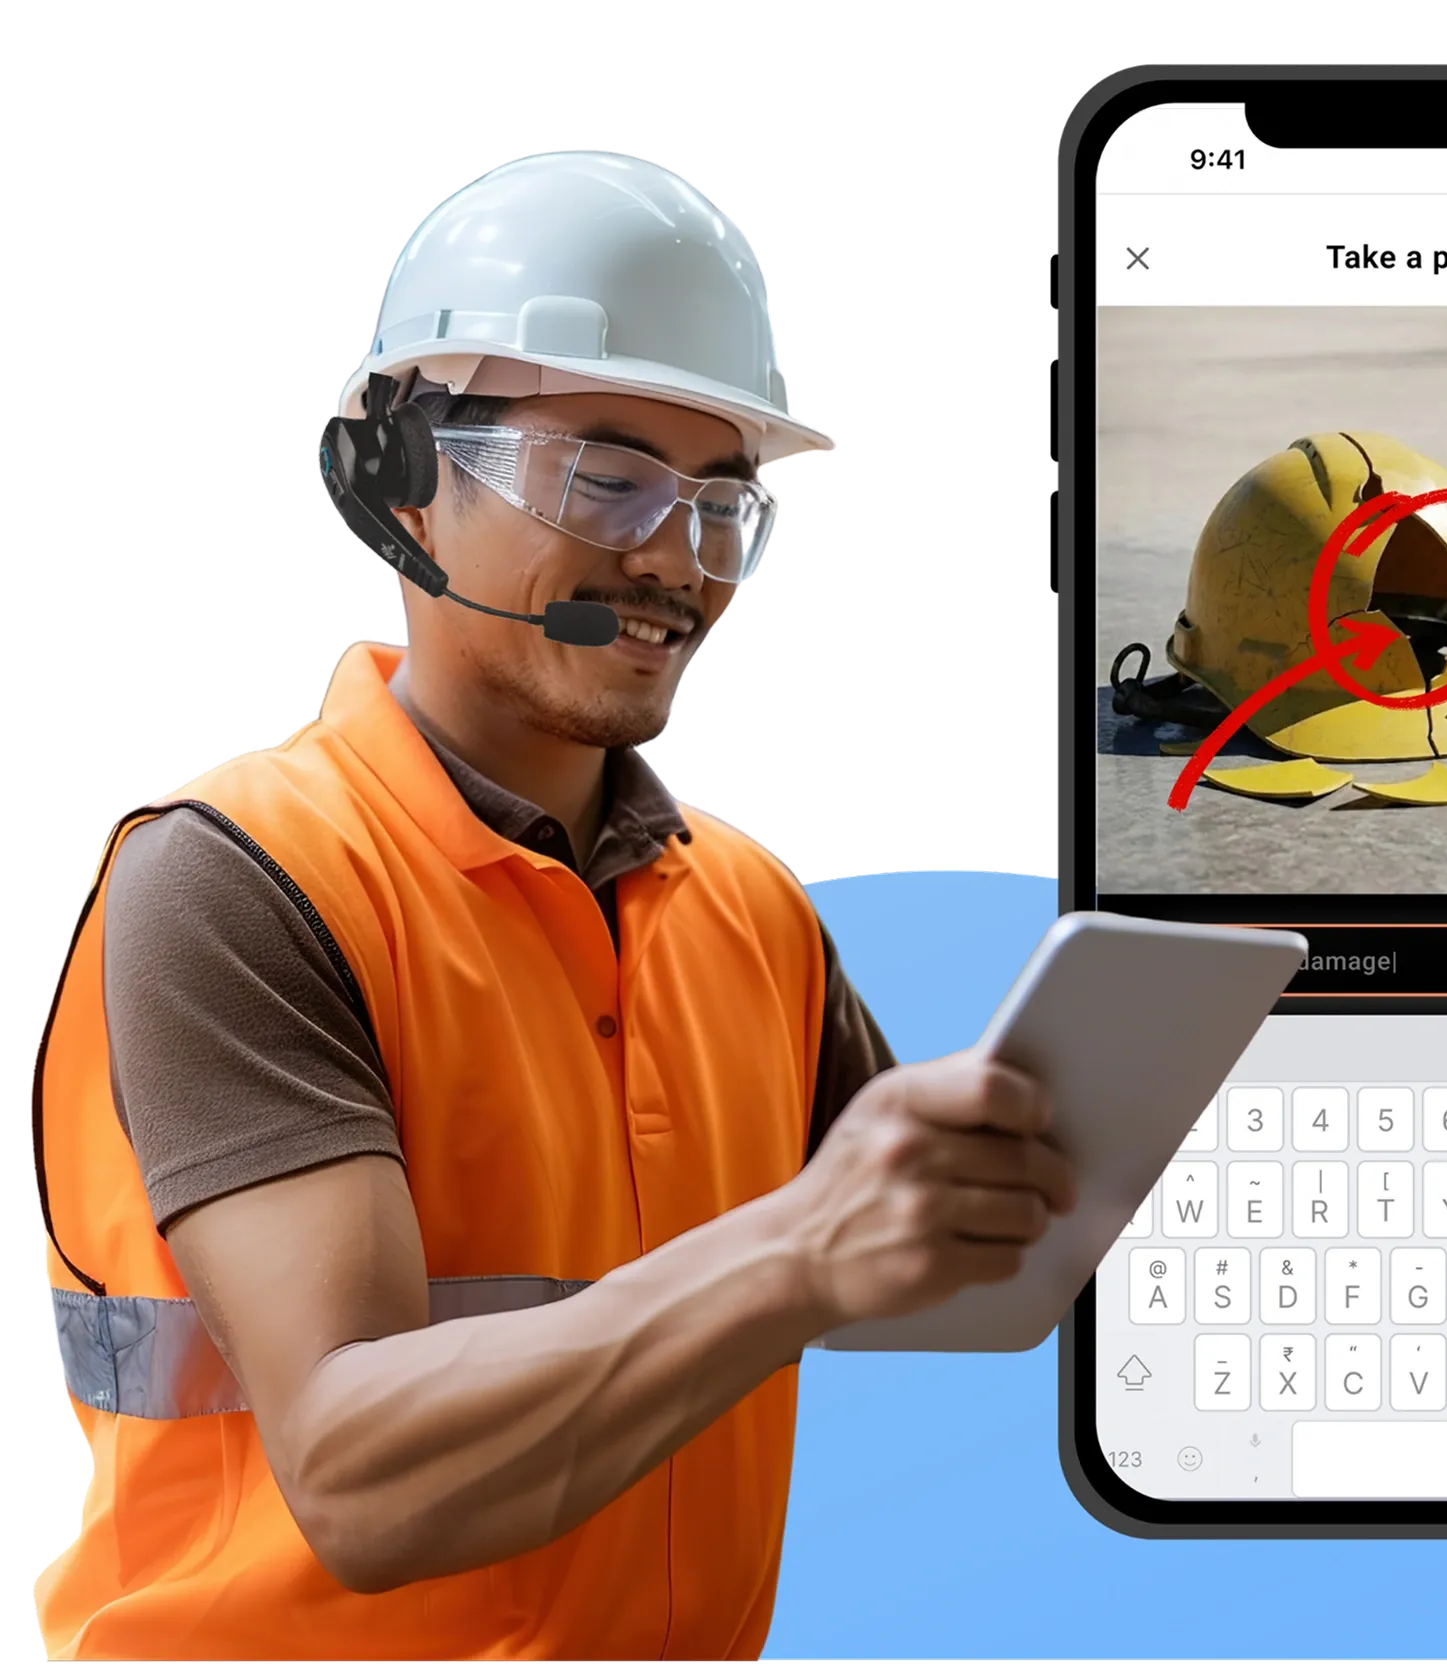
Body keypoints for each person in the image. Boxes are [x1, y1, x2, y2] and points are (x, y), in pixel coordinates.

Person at [30, 150, 1073, 1662]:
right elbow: (360, 1479)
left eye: (724, 504)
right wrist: (794, 1250)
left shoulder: (748, 910)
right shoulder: (234, 876)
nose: (673, 563)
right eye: (604, 477)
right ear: (403, 484)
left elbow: (951, 1277)